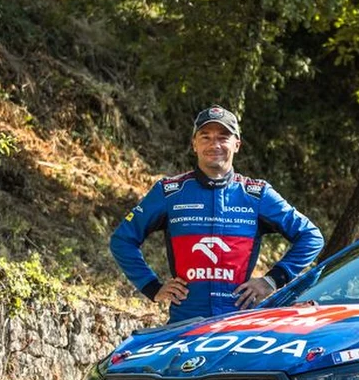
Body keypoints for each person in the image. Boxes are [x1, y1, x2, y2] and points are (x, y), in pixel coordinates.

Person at [110, 105, 324, 323]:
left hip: (237, 323)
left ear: (237, 145)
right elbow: (122, 240)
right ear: (194, 144)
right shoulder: (170, 192)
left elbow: (311, 237)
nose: (214, 144)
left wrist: (272, 281)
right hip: (185, 323)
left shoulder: (257, 194)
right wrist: (152, 287)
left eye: (223, 137)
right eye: (205, 137)